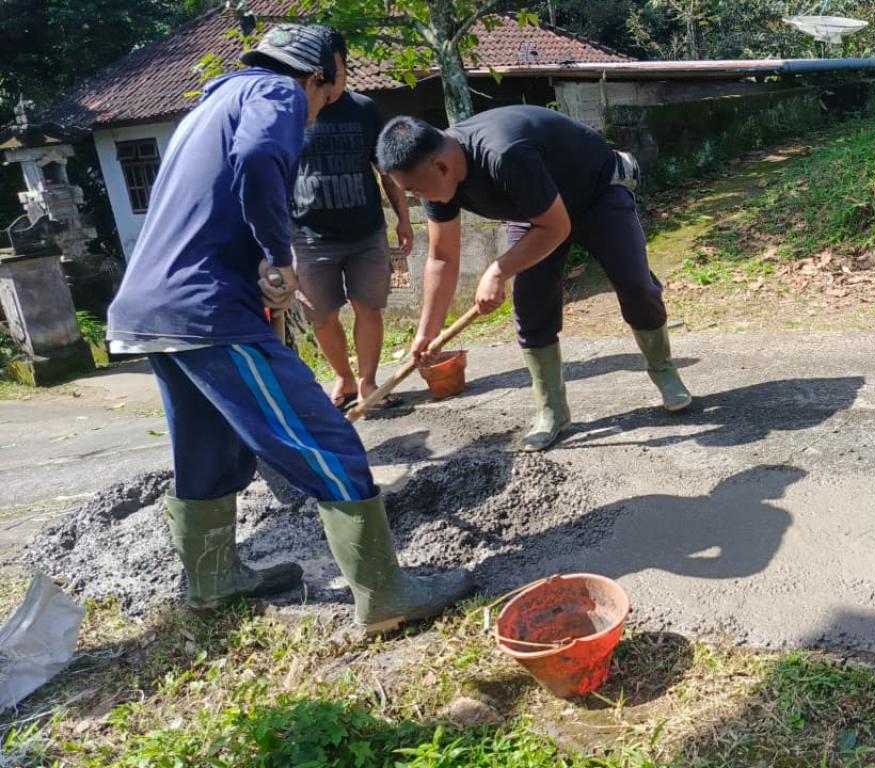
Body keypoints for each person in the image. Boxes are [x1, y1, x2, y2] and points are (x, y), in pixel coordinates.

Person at [104, 25, 473, 634]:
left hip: (150, 310)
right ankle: (386, 597)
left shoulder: (212, 104)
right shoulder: (276, 93)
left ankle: (212, 584)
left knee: (208, 450)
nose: (320, 108)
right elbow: (256, 158)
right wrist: (279, 258)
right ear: (319, 75)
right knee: (330, 443)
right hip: (208, 311)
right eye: (329, 90)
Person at [374, 108, 692, 452]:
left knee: (636, 285)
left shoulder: (505, 154)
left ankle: (663, 370)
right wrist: (427, 332)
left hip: (597, 193)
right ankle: (552, 409)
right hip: (534, 213)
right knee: (531, 307)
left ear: (441, 166)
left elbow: (557, 227)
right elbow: (441, 258)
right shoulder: (435, 179)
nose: (418, 198)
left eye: (416, 190)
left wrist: (497, 270)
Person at [292, 31, 413, 412]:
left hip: (365, 231)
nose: (331, 81)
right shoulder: (292, 113)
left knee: (368, 307)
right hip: (309, 237)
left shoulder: (364, 109)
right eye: (323, 74)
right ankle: (344, 379)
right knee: (321, 315)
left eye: (338, 71)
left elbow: (386, 171)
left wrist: (404, 219)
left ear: (345, 67)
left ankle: (368, 382)